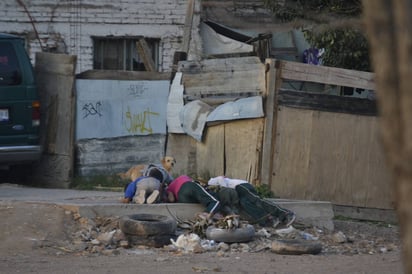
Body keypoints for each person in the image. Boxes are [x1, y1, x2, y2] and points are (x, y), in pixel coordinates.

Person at [207, 176, 296, 227]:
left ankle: (285, 214)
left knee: (257, 201)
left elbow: (221, 178)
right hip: (238, 193)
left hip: (240, 186)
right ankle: (268, 219)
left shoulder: (211, 181)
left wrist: (222, 187)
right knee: (247, 206)